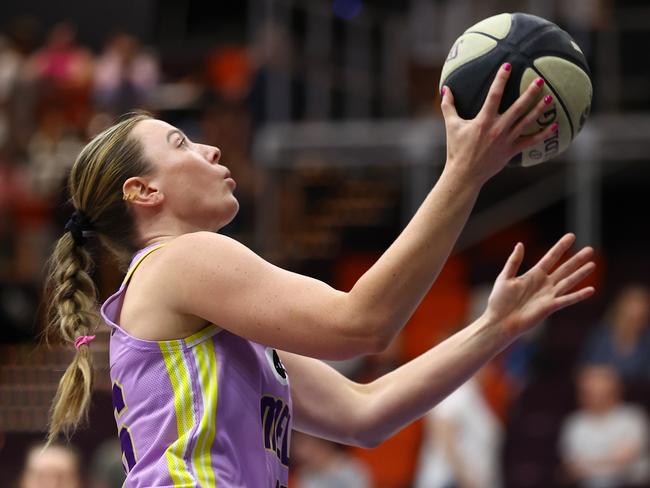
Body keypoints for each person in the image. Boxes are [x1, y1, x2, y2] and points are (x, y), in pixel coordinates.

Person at [44, 65, 595, 486]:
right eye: (180, 143)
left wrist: (494, 327)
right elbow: (361, 324)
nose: (211, 147)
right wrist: (464, 173)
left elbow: (364, 414)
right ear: (144, 192)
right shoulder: (183, 259)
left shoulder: (204, 307)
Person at [559, 364, 650, 487]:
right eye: (589, 392)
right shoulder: (574, 422)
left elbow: (625, 461)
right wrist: (607, 462)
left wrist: (587, 466)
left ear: (615, 391)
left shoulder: (633, 417)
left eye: (601, 392)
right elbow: (570, 467)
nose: (595, 398)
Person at [581, 285, 650, 382]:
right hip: (602, 389)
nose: (636, 320)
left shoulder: (647, 340)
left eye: (641, 317)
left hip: (637, 393)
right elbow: (588, 369)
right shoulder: (602, 334)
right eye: (631, 317)